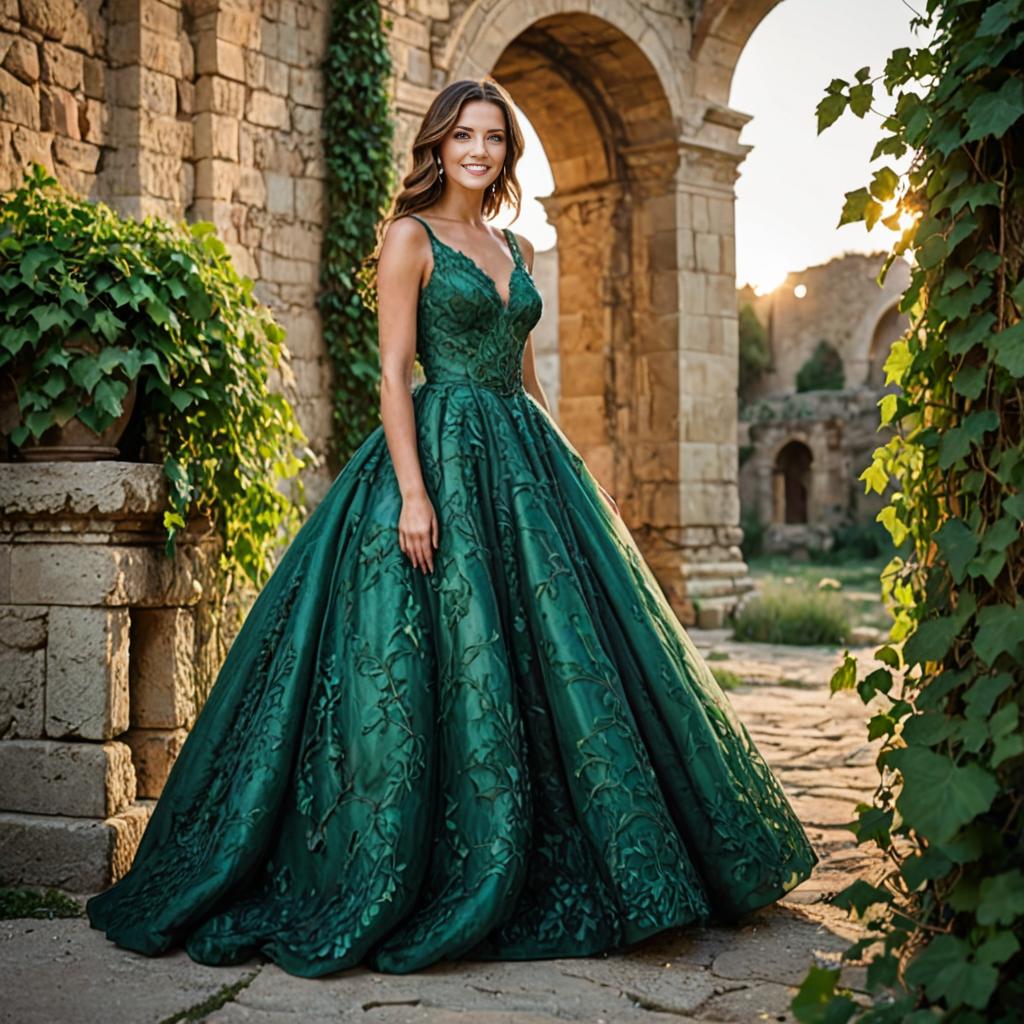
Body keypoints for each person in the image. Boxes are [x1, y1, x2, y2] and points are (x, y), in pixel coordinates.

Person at [86, 77, 819, 978]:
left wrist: (580, 473)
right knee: (447, 646)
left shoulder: (515, 244)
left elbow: (530, 376)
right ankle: (437, 854)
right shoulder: (410, 238)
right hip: (439, 453)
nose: (480, 150)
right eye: (464, 136)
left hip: (524, 456)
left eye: (495, 138)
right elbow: (395, 375)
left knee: (565, 658)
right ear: (437, 145)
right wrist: (414, 495)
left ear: (507, 153)